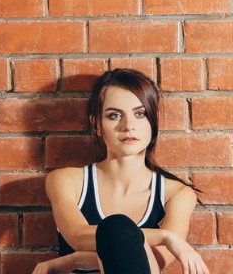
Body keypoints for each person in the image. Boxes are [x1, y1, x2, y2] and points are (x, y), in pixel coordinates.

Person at [33, 68, 209, 274]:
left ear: (152, 121)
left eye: (140, 114)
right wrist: (166, 237)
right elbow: (78, 236)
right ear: (97, 124)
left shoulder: (176, 194)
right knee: (116, 226)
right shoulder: (67, 180)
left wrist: (73, 261)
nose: (128, 126)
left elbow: (154, 261)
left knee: (117, 227)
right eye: (114, 115)